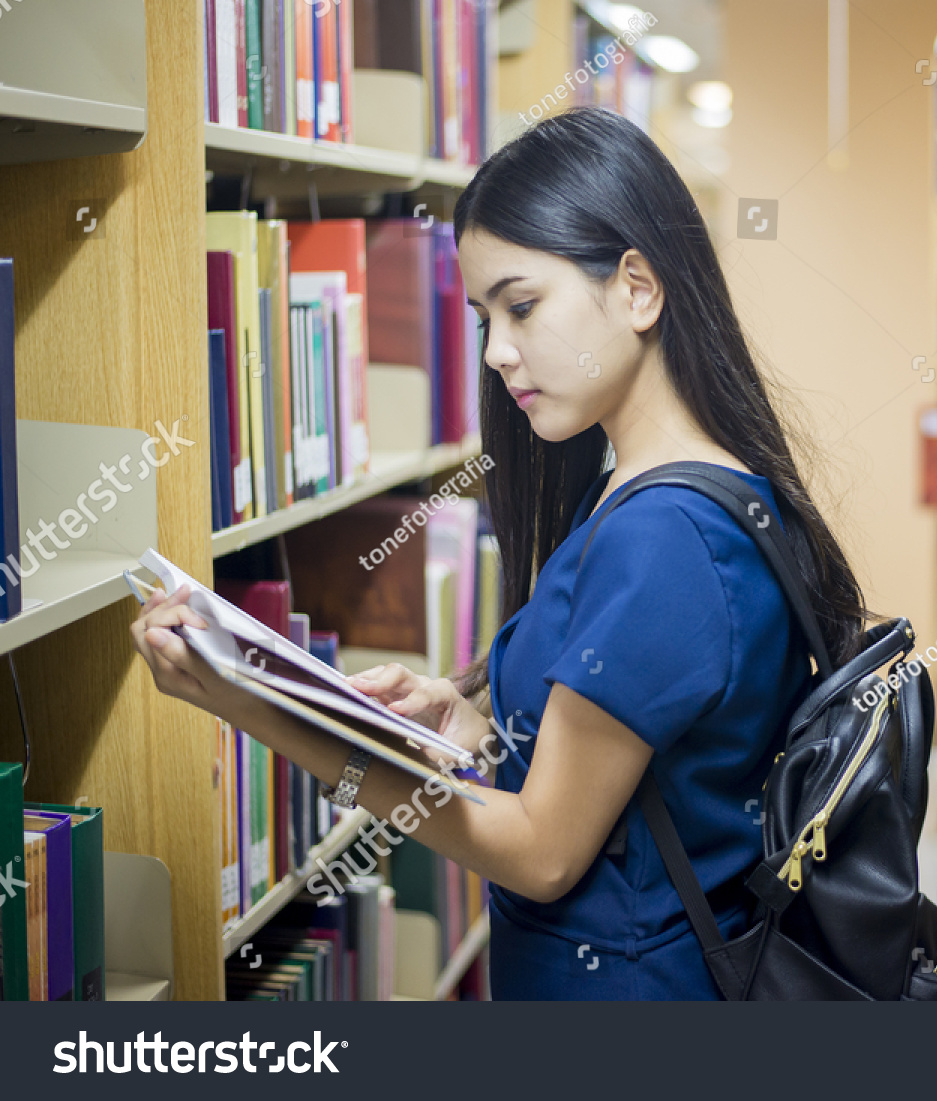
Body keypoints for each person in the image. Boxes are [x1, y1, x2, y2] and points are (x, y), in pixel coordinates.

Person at [130, 106, 869, 999]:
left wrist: (259, 707)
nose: (498, 352)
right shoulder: (689, 488)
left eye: (521, 306)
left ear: (638, 287)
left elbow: (544, 852)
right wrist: (474, 722)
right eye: (484, 316)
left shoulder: (664, 536)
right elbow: (665, 767)